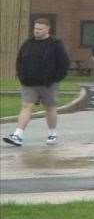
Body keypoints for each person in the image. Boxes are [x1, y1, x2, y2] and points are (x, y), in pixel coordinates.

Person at [8, 18, 70, 147]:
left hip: (48, 83)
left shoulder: (55, 44)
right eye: (35, 28)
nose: (37, 31)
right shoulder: (28, 43)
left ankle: (52, 134)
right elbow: (19, 60)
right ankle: (18, 135)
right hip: (29, 83)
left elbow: (64, 63)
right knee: (26, 107)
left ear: (47, 29)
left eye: (40, 29)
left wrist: (55, 79)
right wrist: (21, 76)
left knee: (49, 108)